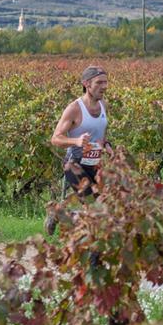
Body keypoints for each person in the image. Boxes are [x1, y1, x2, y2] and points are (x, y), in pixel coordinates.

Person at [45, 65, 113, 235]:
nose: (104, 87)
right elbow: (56, 138)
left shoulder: (104, 104)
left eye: (105, 82)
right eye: (99, 83)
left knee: (106, 211)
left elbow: (101, 134)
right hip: (74, 166)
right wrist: (76, 140)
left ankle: (62, 215)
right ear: (86, 84)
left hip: (95, 166)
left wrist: (107, 146)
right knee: (95, 209)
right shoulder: (74, 109)